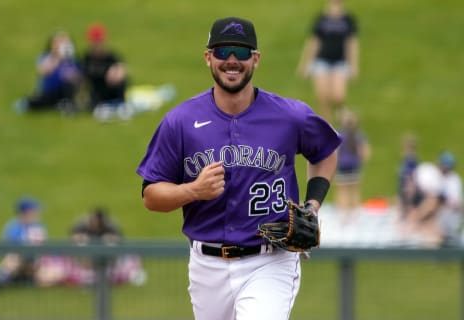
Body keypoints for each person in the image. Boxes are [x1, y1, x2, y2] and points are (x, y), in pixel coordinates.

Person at [136, 17, 342, 320]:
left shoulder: (290, 116)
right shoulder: (180, 121)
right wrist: (193, 190)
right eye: (223, 51)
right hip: (206, 266)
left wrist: (312, 205)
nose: (232, 61)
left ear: (255, 60)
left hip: (270, 260)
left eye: (242, 53)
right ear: (208, 57)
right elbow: (151, 196)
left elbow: (326, 151)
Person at [295, 0, 359, 122]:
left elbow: (351, 43)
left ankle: (341, 114)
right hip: (321, 61)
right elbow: (314, 42)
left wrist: (353, 64)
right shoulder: (321, 19)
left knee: (338, 96)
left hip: (340, 61)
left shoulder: (348, 20)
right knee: (323, 97)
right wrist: (305, 63)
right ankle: (327, 126)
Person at [13, 31, 82, 115]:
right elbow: (43, 70)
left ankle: (65, 105)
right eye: (57, 43)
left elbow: (77, 77)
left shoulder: (72, 60)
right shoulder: (45, 56)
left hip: (64, 91)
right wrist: (58, 58)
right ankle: (27, 103)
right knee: (40, 101)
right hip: (48, 91)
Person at [0, 197, 47, 289]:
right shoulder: (14, 227)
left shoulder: (39, 226)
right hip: (19, 259)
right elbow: (8, 248)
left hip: (35, 260)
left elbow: (42, 245)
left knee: (47, 270)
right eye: (34, 211)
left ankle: (26, 280)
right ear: (24, 213)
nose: (37, 214)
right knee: (12, 258)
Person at [81, 23, 131, 121]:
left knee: (122, 81)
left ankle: (121, 105)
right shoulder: (87, 58)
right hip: (98, 91)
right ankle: (101, 107)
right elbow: (85, 75)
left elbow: (122, 68)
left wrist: (116, 73)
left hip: (112, 87)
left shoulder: (111, 56)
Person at [334, 108, 371, 222]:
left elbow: (334, 151)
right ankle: (355, 214)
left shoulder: (339, 134)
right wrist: (361, 161)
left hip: (342, 166)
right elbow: (364, 151)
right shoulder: (358, 135)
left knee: (342, 190)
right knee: (355, 190)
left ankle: (343, 215)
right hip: (354, 166)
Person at [436, 152, 463, 246]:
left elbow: (455, 204)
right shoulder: (437, 177)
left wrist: (442, 199)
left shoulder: (454, 181)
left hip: (449, 216)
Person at [397, 132, 419, 219]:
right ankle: (404, 218)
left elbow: (412, 173)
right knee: (402, 202)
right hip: (403, 182)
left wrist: (410, 185)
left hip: (407, 183)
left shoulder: (411, 158)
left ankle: (409, 220)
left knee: (408, 203)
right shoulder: (407, 158)